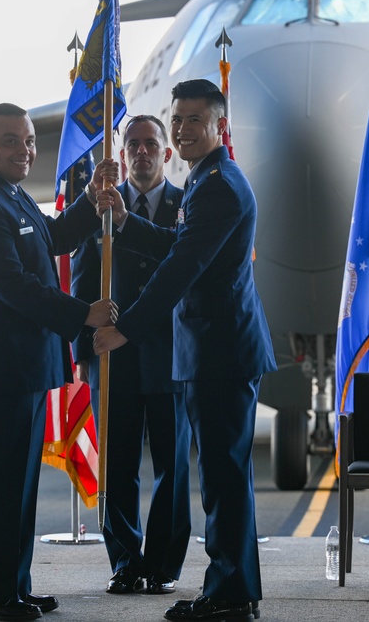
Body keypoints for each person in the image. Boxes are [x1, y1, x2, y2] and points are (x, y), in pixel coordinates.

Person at [94, 80, 276, 622]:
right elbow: (179, 245)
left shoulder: (217, 185)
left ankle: (229, 595)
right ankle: (236, 589)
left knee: (223, 480)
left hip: (220, 353)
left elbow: (181, 268)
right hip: (216, 351)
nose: (182, 129)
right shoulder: (206, 180)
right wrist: (127, 224)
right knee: (225, 478)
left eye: (195, 120)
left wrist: (128, 327)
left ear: (220, 125)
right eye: (178, 119)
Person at [0, 102, 123, 622]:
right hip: (0, 369)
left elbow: (55, 238)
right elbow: (13, 287)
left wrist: (93, 201)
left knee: (19, 488)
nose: (24, 150)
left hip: (24, 367)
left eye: (28, 141)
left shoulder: (11, 196)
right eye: (10, 141)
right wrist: (82, 314)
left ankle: (13, 587)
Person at [72, 115, 191, 596]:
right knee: (117, 468)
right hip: (112, 361)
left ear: (167, 154)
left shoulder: (189, 206)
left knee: (172, 468)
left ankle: (160, 564)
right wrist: (83, 350)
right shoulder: (101, 206)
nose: (141, 152)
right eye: (133, 145)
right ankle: (124, 560)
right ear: (121, 155)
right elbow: (83, 279)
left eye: (151, 144)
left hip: (171, 355)